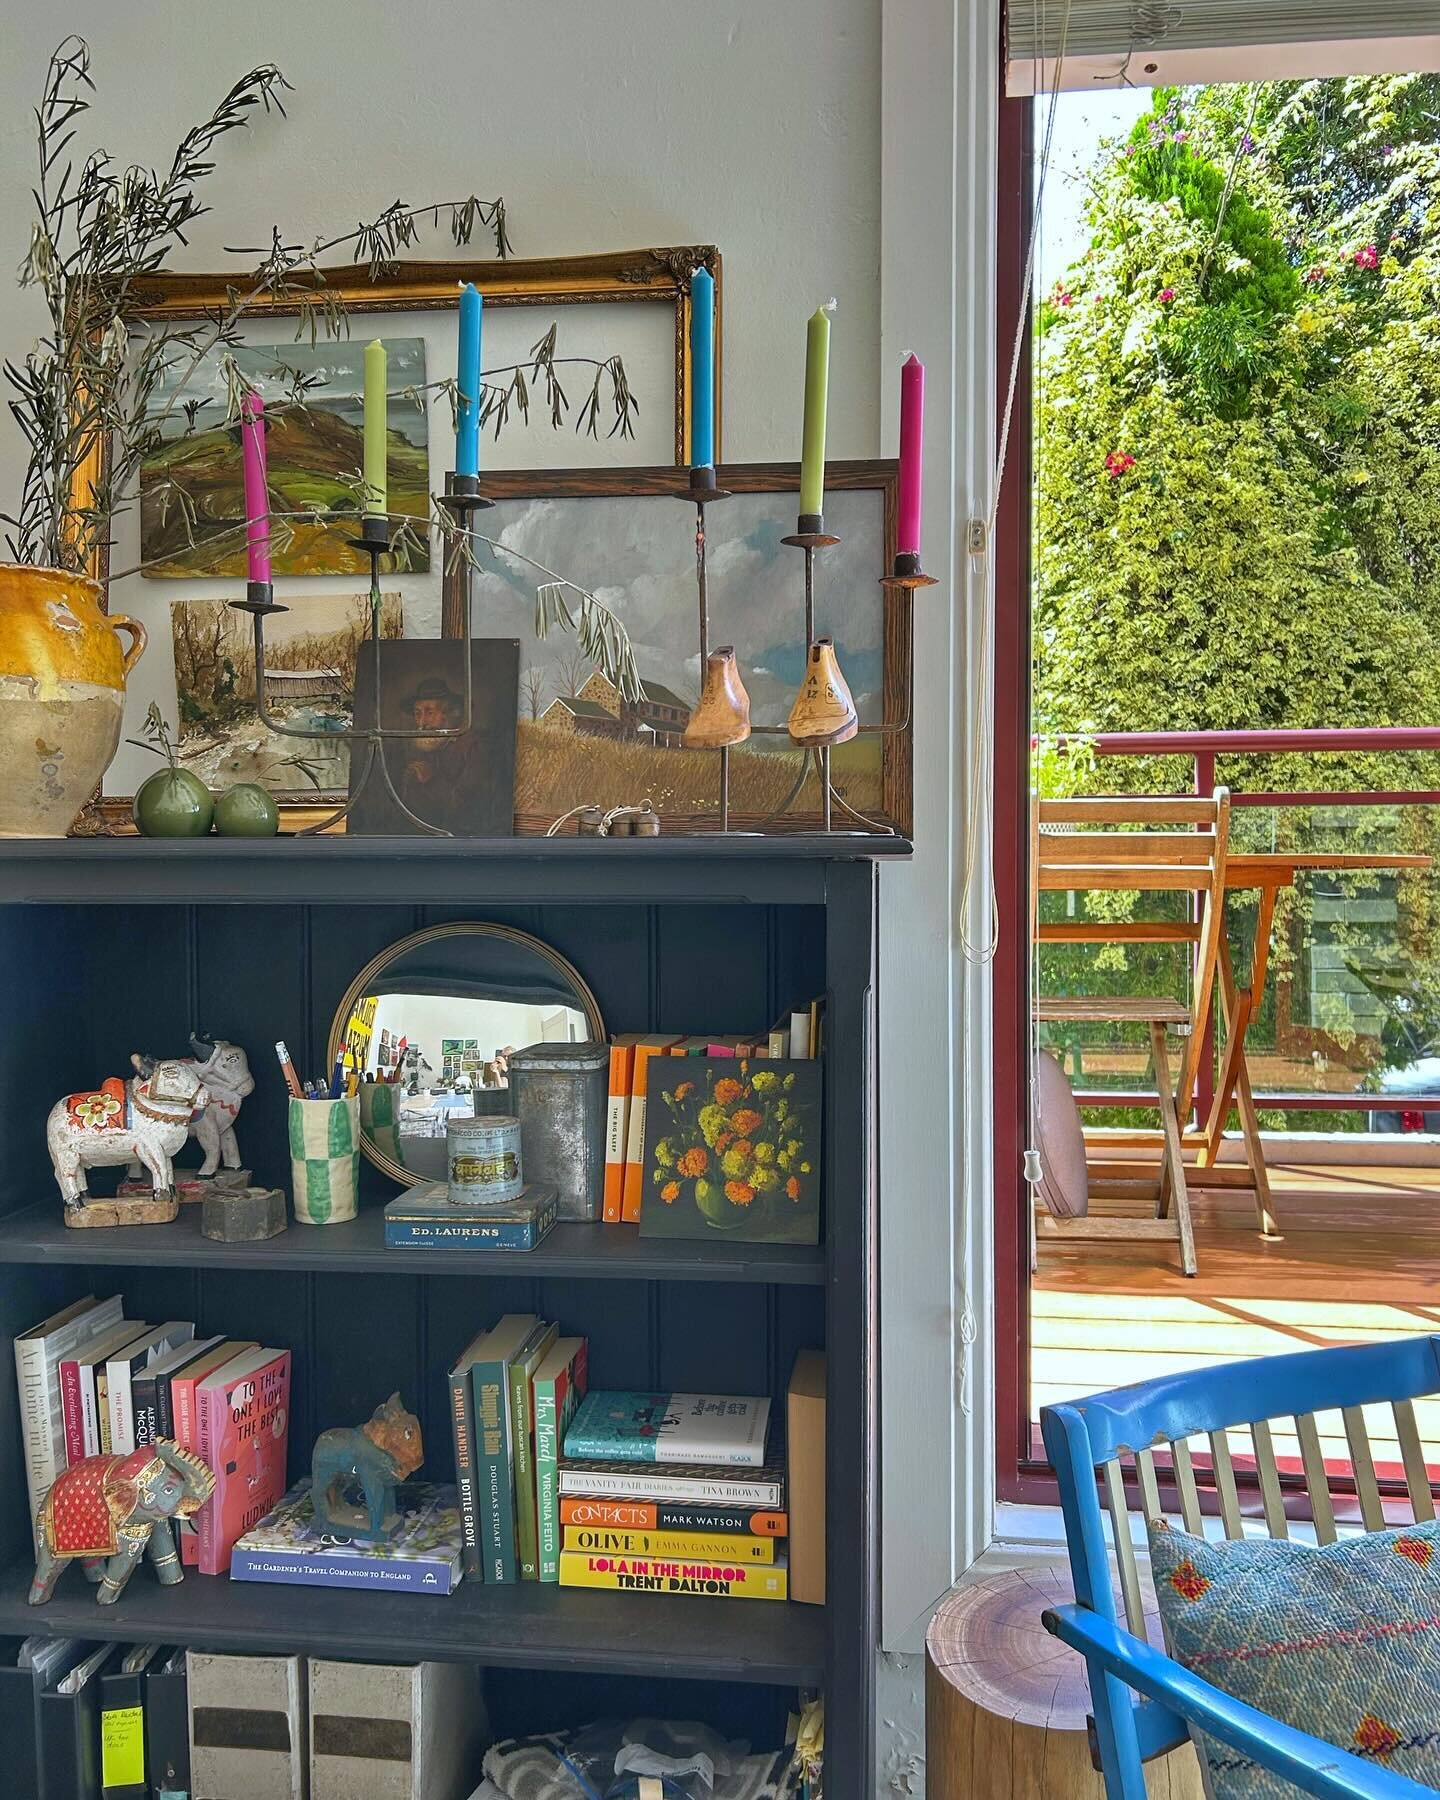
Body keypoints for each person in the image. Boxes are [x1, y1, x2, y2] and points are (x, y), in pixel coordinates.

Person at [394, 673, 484, 832]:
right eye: (417, 713)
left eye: (429, 713)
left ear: (449, 714)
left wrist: (432, 779)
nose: (422, 723)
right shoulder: (418, 748)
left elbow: (470, 808)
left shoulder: (474, 747)